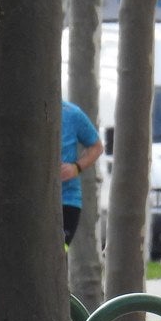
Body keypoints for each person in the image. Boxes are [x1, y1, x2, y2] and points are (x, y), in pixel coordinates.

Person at [59, 99, 104, 246]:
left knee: (58, 252)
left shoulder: (71, 113)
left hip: (67, 200)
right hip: (33, 202)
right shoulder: (24, 112)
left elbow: (96, 147)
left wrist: (76, 168)